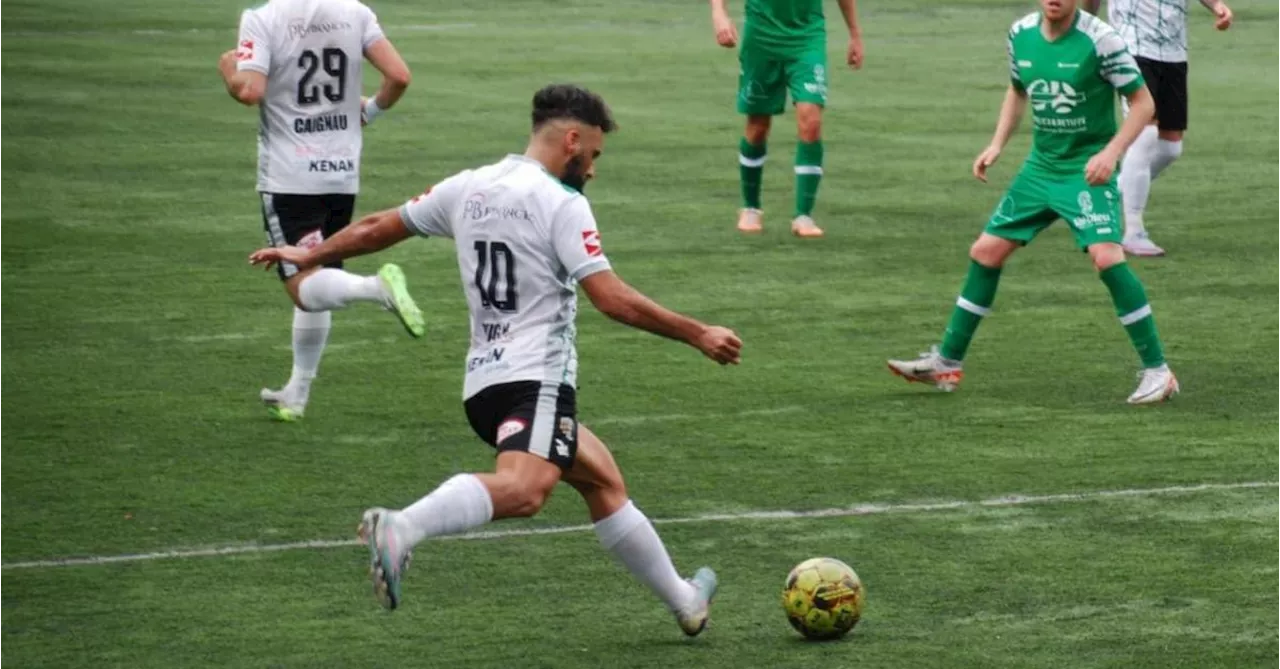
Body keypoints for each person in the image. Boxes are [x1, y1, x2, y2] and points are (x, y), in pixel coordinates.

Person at [248, 84, 743, 634]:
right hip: (537, 381)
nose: (594, 169)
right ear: (572, 139)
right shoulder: (563, 202)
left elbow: (376, 227)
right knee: (527, 491)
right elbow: (612, 298)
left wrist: (309, 254)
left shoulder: (469, 186)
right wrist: (698, 333)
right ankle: (403, 527)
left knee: (601, 480)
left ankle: (685, 600)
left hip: (484, 387)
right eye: (594, 155)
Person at [886, 0, 1178, 405]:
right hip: (1040, 168)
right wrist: (996, 144)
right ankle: (946, 362)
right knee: (985, 252)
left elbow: (1144, 104)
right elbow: (1017, 90)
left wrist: (1111, 154)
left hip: (1085, 168)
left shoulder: (1100, 40)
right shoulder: (1020, 34)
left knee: (1107, 257)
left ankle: (1158, 371)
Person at [218, 0, 423, 421]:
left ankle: (376, 289)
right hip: (341, 173)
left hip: (290, 176)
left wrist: (228, 72)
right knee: (320, 275)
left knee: (302, 285)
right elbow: (399, 76)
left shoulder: (262, 18)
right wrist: (369, 111)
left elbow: (250, 90)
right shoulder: (355, 12)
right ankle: (297, 393)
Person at [1082, 0, 1233, 257]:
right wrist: (1083, 29)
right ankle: (1133, 232)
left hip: (1174, 51)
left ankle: (1105, 194)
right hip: (1130, 47)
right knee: (1145, 135)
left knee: (1170, 147)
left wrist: (1217, 6)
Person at [709, 0, 863, 238]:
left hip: (807, 37)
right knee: (758, 125)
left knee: (810, 121)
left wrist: (854, 34)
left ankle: (803, 215)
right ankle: (751, 207)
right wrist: (719, 13)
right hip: (761, 36)